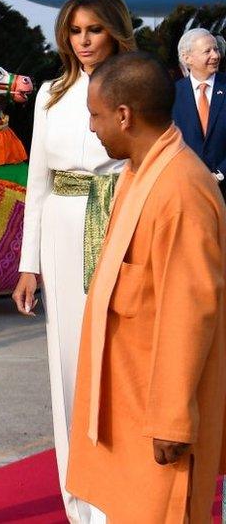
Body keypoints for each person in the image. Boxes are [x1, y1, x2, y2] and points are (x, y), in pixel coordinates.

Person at [68, 51, 226, 523]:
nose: (92, 128)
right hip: (127, 401)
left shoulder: (180, 189)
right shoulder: (140, 172)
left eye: (95, 116)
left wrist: (172, 418)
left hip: (157, 418)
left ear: (124, 115)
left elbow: (190, 310)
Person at [10, 0, 135, 522]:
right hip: (61, 233)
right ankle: (78, 501)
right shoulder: (49, 94)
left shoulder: (139, 87)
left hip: (122, 226)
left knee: (119, 364)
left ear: (115, 31)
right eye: (76, 31)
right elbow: (37, 179)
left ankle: (124, 495)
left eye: (95, 30)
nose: (83, 41)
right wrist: (27, 265)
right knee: (67, 366)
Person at [173, 28, 225, 196]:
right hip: (187, 190)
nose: (216, 56)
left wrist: (219, 175)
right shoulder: (173, 94)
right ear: (187, 58)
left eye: (216, 49)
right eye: (207, 51)